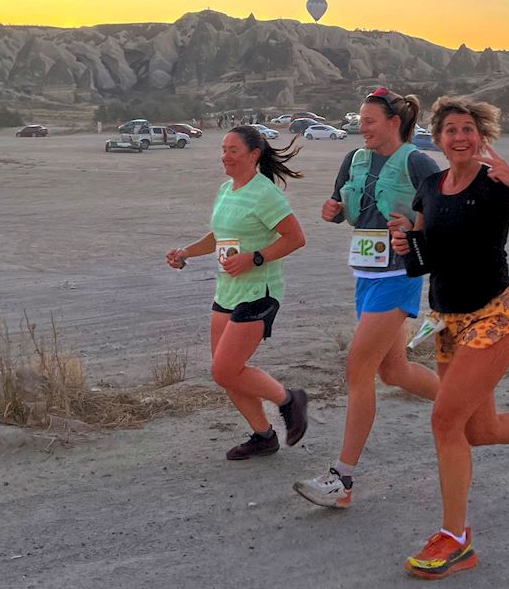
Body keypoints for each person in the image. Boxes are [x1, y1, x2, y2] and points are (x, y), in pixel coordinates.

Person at [391, 98, 509, 579]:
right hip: (447, 319)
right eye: (451, 129)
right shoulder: (430, 187)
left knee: (444, 420)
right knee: (478, 430)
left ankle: (456, 539)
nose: (460, 137)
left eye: (468, 130)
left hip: (494, 313)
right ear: (437, 138)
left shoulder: (497, 183)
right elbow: (423, 261)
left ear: (482, 137)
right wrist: (404, 243)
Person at [294, 87, 441, 509]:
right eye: (360, 121)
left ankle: (342, 480)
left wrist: (415, 226)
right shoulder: (354, 159)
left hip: (399, 276)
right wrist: (333, 211)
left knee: (358, 367)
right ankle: (464, 401)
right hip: (366, 272)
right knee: (394, 371)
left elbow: (442, 216)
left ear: (394, 123)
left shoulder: (418, 161)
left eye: (370, 121)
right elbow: (343, 205)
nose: (362, 128)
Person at [166, 126, 310, 460]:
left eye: (233, 150)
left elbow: (295, 237)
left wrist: (255, 258)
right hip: (227, 290)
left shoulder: (265, 193)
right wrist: (185, 252)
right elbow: (219, 236)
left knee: (224, 370)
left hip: (259, 291)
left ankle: (289, 399)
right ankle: (264, 436)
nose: (225, 156)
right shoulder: (227, 189)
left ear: (253, 155)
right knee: (227, 375)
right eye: (223, 149)